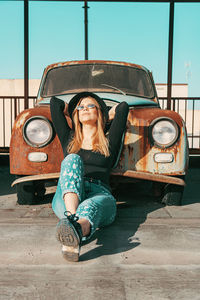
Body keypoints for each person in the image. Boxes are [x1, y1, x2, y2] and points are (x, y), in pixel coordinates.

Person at [50, 91, 129, 262]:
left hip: (99, 193)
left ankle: (74, 231)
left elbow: (123, 108)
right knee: (72, 158)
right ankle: (73, 220)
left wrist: (107, 114)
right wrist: (72, 109)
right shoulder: (69, 138)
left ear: (99, 112)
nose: (85, 109)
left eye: (90, 106)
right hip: (67, 194)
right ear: (75, 115)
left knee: (90, 205)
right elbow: (55, 102)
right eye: (81, 107)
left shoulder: (108, 141)